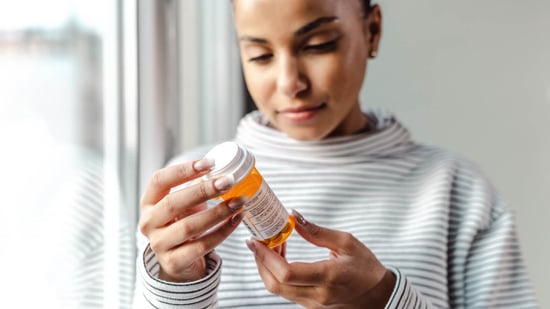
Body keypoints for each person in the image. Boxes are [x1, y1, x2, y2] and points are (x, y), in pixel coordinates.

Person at [134, 0, 538, 307]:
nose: (290, 82)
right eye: (260, 55)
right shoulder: (187, 195)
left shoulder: (457, 192)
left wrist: (383, 298)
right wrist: (175, 285)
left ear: (372, 31)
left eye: (318, 45)